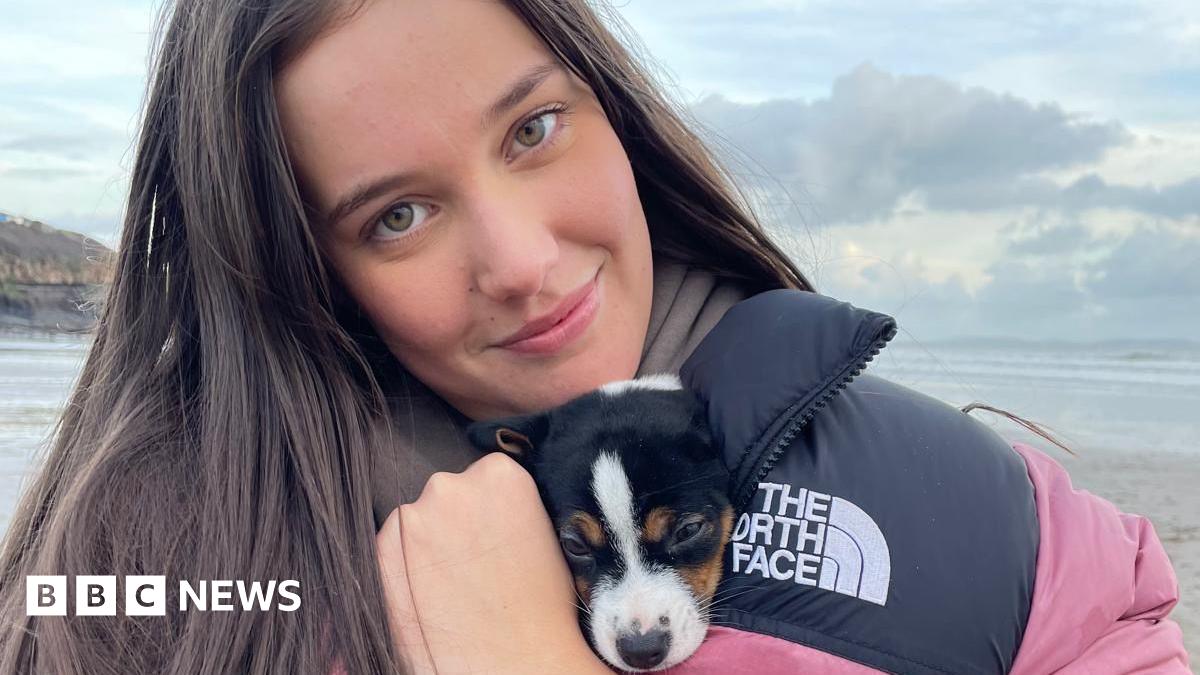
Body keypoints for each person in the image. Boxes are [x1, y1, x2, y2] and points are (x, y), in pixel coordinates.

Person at [0, 1, 1188, 674]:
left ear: (614, 115)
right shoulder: (150, 582)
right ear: (293, 276)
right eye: (396, 214)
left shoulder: (991, 514)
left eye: (533, 128)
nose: (522, 261)